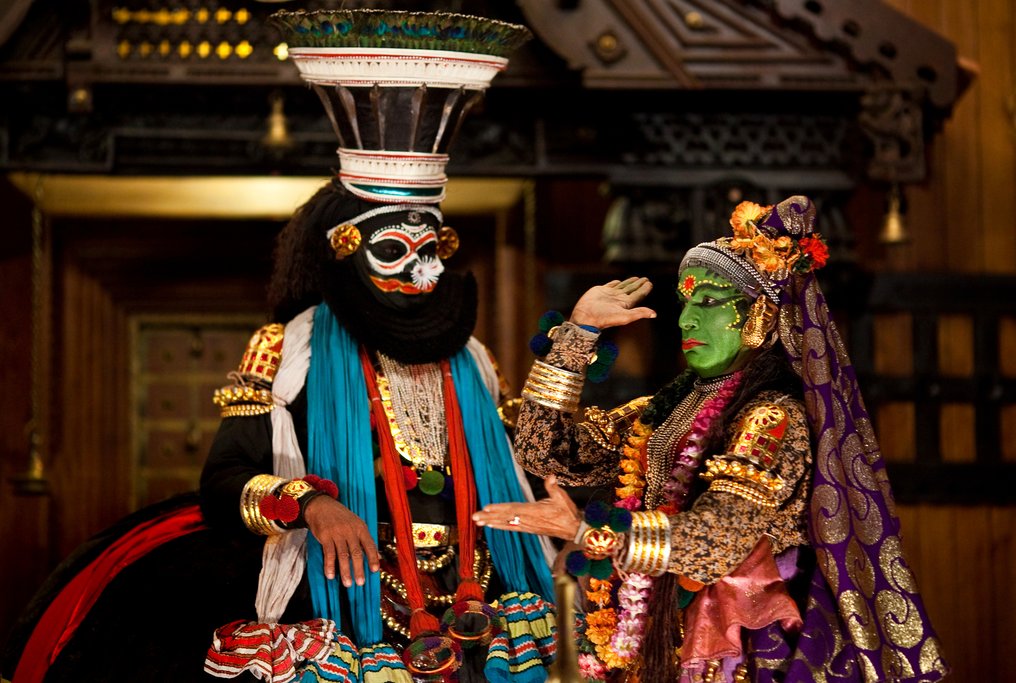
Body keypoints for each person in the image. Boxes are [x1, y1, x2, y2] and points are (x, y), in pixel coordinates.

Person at [4, 9, 556, 683]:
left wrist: (577, 340)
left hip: (481, 603)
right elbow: (225, 481)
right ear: (344, 251)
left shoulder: (472, 357)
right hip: (338, 599)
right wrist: (313, 505)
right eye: (395, 250)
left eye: (433, 250)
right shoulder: (285, 346)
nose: (425, 272)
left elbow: (524, 457)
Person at [474, 196, 948, 682]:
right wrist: (578, 333)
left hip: (745, 649)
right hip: (657, 636)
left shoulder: (770, 418)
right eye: (685, 303)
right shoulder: (668, 411)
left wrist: (587, 532)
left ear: (760, 317)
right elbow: (546, 453)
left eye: (708, 302)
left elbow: (715, 541)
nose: (685, 321)